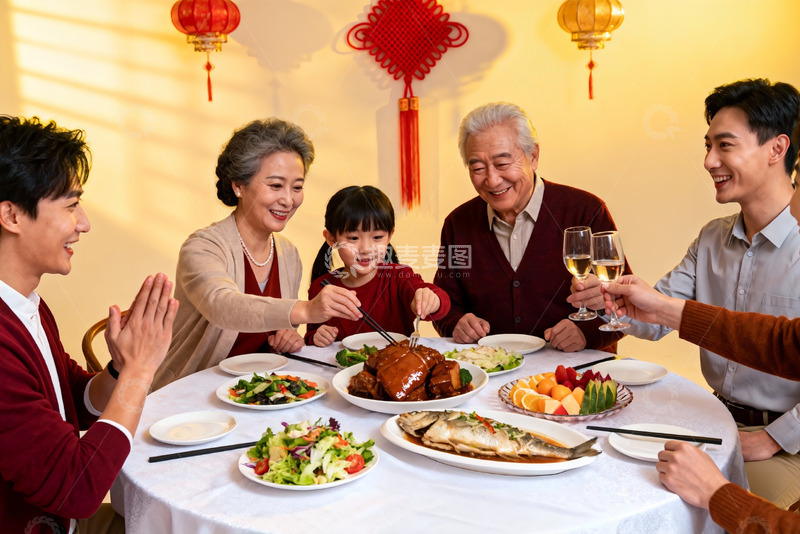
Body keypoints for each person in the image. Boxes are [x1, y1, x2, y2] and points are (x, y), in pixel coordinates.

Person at [570, 78, 800, 508]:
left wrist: (775, 437)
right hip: (713, 418)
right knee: (612, 475)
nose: (710, 160)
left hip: (788, 445)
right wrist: (610, 300)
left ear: (776, 149)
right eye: (707, 145)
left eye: (725, 145)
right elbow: (654, 319)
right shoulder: (712, 238)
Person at [0, 115, 178, 533]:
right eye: (71, 205)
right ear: (11, 215)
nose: (84, 224)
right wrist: (139, 370)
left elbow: (73, 403)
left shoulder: (27, 305)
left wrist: (117, 368)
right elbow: (77, 489)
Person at [152, 119, 362, 389]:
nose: (288, 200)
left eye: (297, 187)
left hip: (258, 391)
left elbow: (277, 326)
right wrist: (306, 310)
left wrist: (286, 337)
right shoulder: (203, 246)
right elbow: (223, 306)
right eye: (276, 186)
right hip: (191, 391)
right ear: (239, 185)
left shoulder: (287, 253)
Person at [433, 101, 627, 352]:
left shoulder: (585, 211)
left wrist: (585, 333)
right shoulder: (457, 224)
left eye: (502, 164)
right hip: (494, 374)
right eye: (478, 168)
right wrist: (456, 323)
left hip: (575, 378)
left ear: (533, 156)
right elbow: (444, 304)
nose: (492, 180)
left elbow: (624, 306)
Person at [305, 185, 450, 346]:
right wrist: (316, 337)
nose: (366, 249)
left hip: (397, 367)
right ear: (331, 239)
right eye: (353, 238)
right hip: (342, 370)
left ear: (389, 236)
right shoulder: (322, 287)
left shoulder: (399, 277)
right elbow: (311, 338)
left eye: (377, 237)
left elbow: (440, 302)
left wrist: (432, 299)